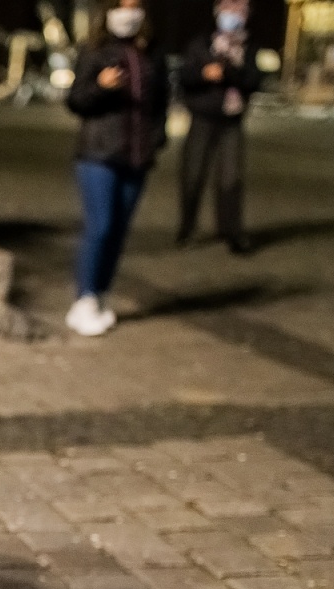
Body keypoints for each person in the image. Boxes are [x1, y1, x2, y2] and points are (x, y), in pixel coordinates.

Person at [64, 0, 169, 338]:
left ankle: (100, 295)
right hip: (99, 153)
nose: (129, 13)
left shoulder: (151, 53)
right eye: (122, 6)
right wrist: (102, 87)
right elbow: (76, 100)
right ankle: (83, 299)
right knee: (101, 226)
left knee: (119, 230)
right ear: (108, 11)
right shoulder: (94, 51)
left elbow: (162, 100)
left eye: (136, 6)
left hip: (137, 156)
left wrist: (157, 137)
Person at [177, 0, 261, 254]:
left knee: (231, 177)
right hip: (202, 116)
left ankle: (232, 231)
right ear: (218, 12)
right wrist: (204, 73)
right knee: (193, 174)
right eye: (229, 9)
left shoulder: (249, 47)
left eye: (241, 11)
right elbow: (184, 77)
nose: (234, 15)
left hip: (231, 119)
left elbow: (254, 80)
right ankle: (187, 227)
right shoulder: (200, 44)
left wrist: (233, 70)